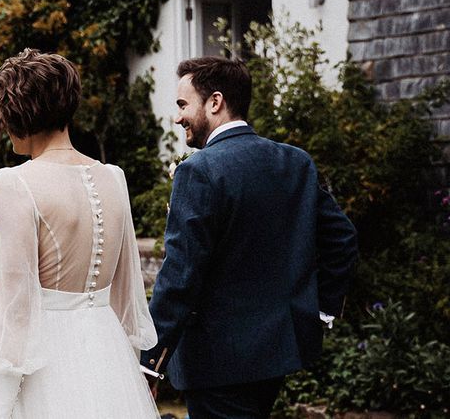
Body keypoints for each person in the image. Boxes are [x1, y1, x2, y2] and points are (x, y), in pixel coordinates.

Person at [141, 56, 358, 418]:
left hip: (217, 363)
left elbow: (180, 276)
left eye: (183, 104)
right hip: (276, 355)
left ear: (215, 102)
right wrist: (317, 313)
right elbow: (343, 239)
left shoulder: (199, 171)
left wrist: (150, 361)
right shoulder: (293, 162)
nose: (177, 117)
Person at [0, 48, 160, 419]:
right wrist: (125, 376)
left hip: (47, 364)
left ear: (17, 113)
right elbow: (125, 298)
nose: (4, 130)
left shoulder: (14, 183)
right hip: (109, 355)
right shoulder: (114, 178)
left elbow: (14, 310)